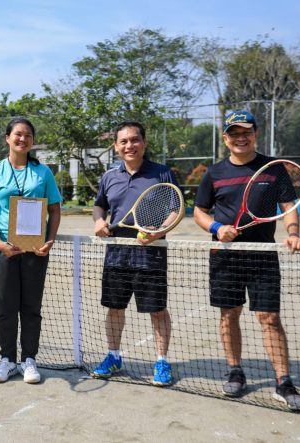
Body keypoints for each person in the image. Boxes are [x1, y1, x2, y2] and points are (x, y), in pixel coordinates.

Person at [193, 110, 300, 411]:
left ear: (255, 133)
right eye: (234, 132)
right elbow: (200, 211)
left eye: (245, 131)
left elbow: (288, 206)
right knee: (229, 314)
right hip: (225, 256)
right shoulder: (214, 173)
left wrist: (294, 233)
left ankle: (283, 381)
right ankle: (235, 371)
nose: (240, 137)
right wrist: (217, 229)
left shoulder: (273, 169)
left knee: (269, 318)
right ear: (225, 138)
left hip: (263, 255)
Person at [92, 121, 178, 386]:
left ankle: (162, 362)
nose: (129, 145)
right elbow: (99, 207)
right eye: (124, 141)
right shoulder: (109, 176)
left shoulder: (162, 173)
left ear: (144, 142)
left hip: (150, 253)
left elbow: (176, 210)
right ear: (116, 146)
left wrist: (159, 231)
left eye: (134, 140)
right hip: (117, 253)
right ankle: (114, 356)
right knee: (115, 308)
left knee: (157, 310)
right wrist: (98, 221)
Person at [0, 117, 62, 384]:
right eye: (17, 134)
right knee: (5, 305)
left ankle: (29, 360)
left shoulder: (43, 173)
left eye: (28, 135)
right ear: (7, 138)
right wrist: (0, 243)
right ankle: (6, 360)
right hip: (4, 250)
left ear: (32, 141)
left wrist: (50, 240)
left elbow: (55, 209)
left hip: (35, 251)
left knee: (31, 306)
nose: (22, 139)